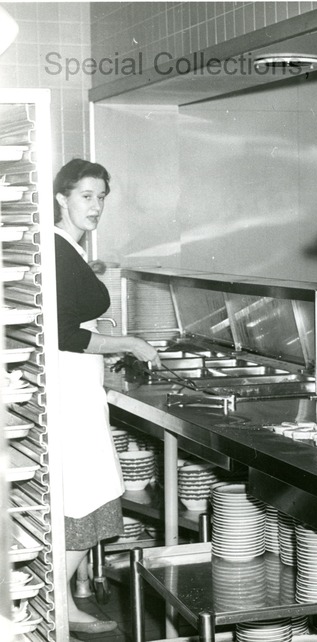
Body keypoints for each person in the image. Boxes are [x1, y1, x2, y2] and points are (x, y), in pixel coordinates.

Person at [52, 158, 161, 633]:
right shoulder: (56, 248)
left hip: (76, 386)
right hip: (67, 393)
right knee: (85, 499)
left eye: (101, 197)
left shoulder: (67, 248)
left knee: (85, 499)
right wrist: (130, 343)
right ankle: (52, 608)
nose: (96, 206)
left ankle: (62, 608)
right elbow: (62, 334)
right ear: (62, 198)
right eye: (85, 196)